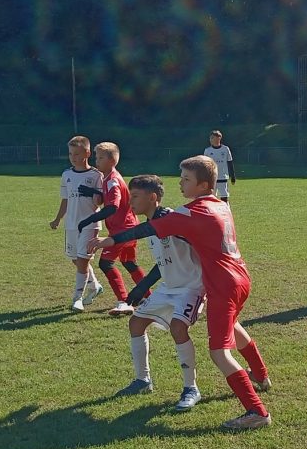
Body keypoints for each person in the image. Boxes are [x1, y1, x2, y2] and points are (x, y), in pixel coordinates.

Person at [90, 155, 273, 430]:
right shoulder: (221, 204)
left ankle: (256, 411)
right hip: (240, 277)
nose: (180, 184)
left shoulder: (190, 212)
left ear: (203, 185)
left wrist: (111, 239)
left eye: (186, 179)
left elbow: (148, 228)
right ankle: (260, 375)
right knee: (233, 327)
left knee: (219, 353)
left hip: (221, 284)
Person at [116, 174, 205, 411]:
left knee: (178, 328)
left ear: (153, 197)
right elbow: (163, 263)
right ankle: (142, 380)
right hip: (168, 287)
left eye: (135, 196)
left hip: (191, 287)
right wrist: (142, 286)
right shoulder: (153, 224)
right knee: (136, 323)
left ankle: (191, 388)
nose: (131, 202)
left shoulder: (170, 219)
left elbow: (201, 242)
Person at [77, 142, 147, 316]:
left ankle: (123, 301)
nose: (97, 161)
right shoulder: (109, 177)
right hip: (130, 226)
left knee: (105, 263)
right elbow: (112, 199)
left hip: (122, 230)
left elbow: (113, 207)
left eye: (100, 158)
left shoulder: (112, 181)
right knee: (129, 263)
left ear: (111, 161)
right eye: (96, 157)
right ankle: (149, 297)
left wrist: (89, 220)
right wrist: (93, 192)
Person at [49, 135, 104, 312]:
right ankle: (95, 286)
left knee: (82, 260)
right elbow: (65, 199)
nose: (73, 157)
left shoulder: (96, 175)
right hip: (71, 224)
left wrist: (95, 195)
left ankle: (77, 298)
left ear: (87, 153)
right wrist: (58, 219)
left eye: (77, 153)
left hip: (90, 224)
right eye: (71, 153)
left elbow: (101, 201)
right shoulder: (66, 175)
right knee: (76, 259)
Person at [203, 130, 236, 202]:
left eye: (212, 138)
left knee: (224, 197)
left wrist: (233, 176)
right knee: (211, 197)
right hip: (212, 178)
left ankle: (225, 208)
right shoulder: (207, 150)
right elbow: (205, 165)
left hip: (223, 177)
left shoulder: (225, 149)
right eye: (210, 138)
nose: (210, 139)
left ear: (219, 138)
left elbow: (230, 162)